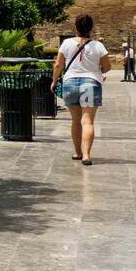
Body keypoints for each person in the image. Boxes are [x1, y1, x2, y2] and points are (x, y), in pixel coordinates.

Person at [52, 14, 111, 165]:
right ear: (91, 28)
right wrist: (98, 70)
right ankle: (86, 155)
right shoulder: (98, 46)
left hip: (70, 83)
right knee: (88, 121)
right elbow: (107, 67)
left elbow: (58, 65)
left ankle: (77, 152)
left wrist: (54, 81)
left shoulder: (66, 43)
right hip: (90, 83)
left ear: (76, 27)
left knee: (75, 120)